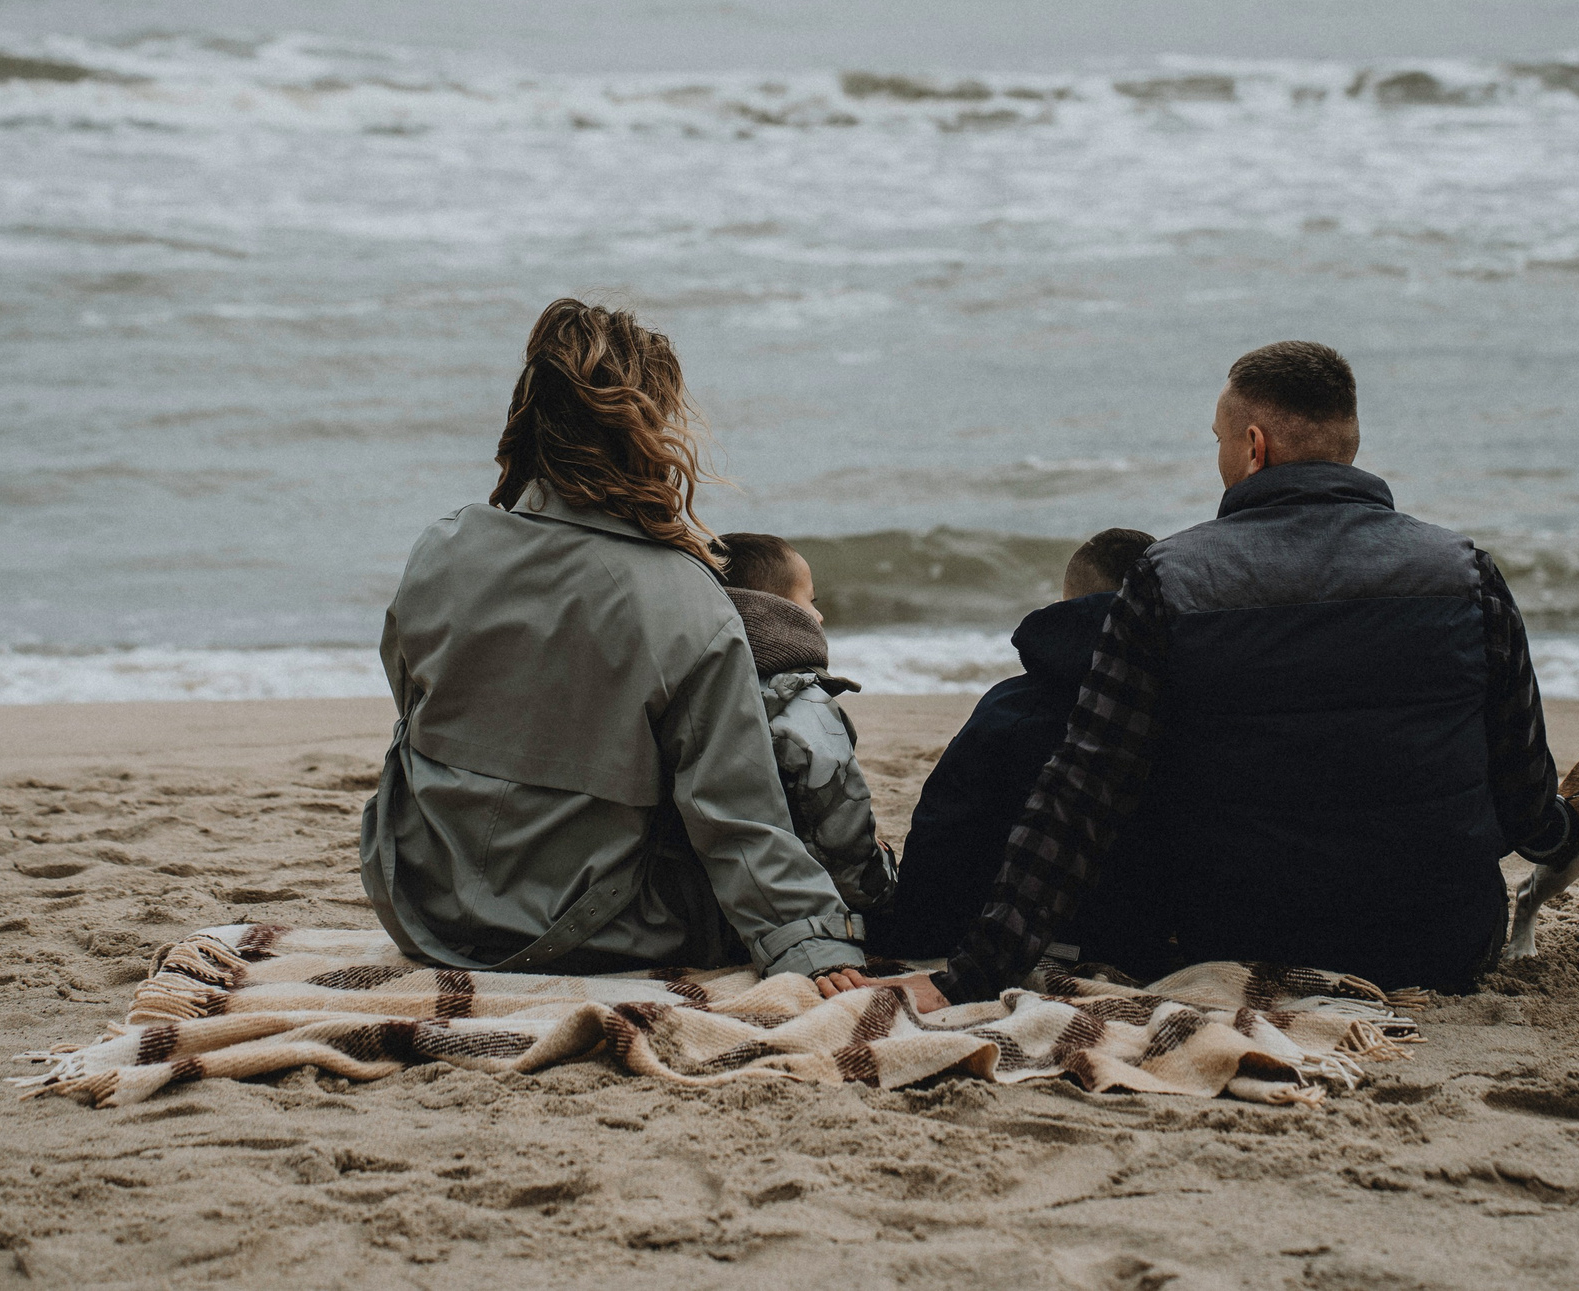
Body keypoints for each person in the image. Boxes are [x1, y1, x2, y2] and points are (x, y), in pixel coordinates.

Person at [875, 341, 1578, 1010]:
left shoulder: (1171, 580)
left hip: (1237, 941)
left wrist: (974, 974)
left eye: (1217, 438)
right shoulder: (1466, 573)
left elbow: (1084, 791)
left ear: (1253, 446)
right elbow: (1526, 794)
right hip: (1443, 944)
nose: (1218, 455)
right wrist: (1566, 831)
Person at [358, 298, 874, 991]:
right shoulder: (688, 601)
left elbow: (412, 698)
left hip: (423, 901)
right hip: (587, 930)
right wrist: (811, 943)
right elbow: (737, 817)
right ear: (650, 431)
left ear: (532, 416)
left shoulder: (442, 548)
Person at [876, 528, 1155, 962]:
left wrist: (912, 931)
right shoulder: (1196, 704)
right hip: (1136, 938)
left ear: (1067, 604)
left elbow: (946, 829)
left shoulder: (1011, 707)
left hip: (1011, 930)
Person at [713, 532, 897, 915]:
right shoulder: (804, 708)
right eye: (809, 601)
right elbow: (842, 849)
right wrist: (884, 873)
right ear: (773, 610)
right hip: (778, 907)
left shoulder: (693, 690)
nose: (818, 615)